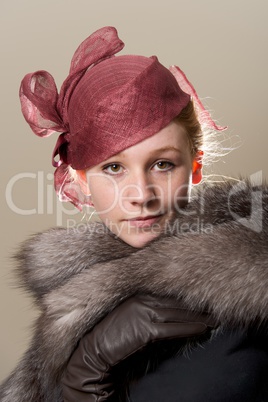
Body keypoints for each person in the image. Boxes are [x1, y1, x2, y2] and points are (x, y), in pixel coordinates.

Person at [0, 26, 268, 402]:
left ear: (195, 167)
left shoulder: (254, 297)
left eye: (162, 164)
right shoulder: (73, 305)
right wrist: (85, 374)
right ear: (82, 181)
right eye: (113, 168)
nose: (141, 195)